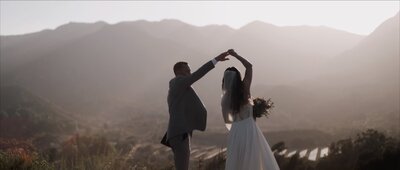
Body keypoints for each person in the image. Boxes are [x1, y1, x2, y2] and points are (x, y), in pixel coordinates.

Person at [161, 51, 230, 170]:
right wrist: (216, 59)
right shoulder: (178, 82)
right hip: (179, 134)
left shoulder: (180, 87)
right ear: (178, 72)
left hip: (180, 133)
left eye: (190, 70)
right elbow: (198, 74)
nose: (190, 73)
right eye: (187, 71)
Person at [222, 49, 280, 170]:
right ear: (238, 78)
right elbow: (249, 66)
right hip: (250, 128)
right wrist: (235, 55)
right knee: (255, 159)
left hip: (236, 131)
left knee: (238, 162)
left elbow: (227, 120)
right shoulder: (245, 89)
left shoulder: (225, 99)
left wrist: (235, 127)